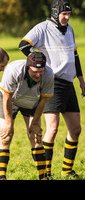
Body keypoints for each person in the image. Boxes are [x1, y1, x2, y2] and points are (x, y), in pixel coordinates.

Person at [19, 0, 85, 178]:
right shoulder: (43, 27)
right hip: (52, 82)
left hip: (68, 83)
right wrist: (39, 64)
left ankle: (67, 170)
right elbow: (24, 44)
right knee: (53, 128)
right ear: (56, 13)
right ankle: (46, 173)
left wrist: (81, 81)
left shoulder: (70, 30)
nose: (67, 17)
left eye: (69, 14)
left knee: (76, 129)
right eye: (64, 14)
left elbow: (76, 56)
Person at [0, 52, 54, 180]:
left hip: (32, 101)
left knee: (36, 137)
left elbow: (43, 101)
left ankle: (43, 177)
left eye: (41, 71)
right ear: (28, 67)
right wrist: (9, 123)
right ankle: (2, 177)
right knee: (5, 136)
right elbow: (6, 98)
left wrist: (35, 123)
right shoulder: (13, 70)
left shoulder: (48, 74)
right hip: (10, 99)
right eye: (35, 71)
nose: (38, 74)